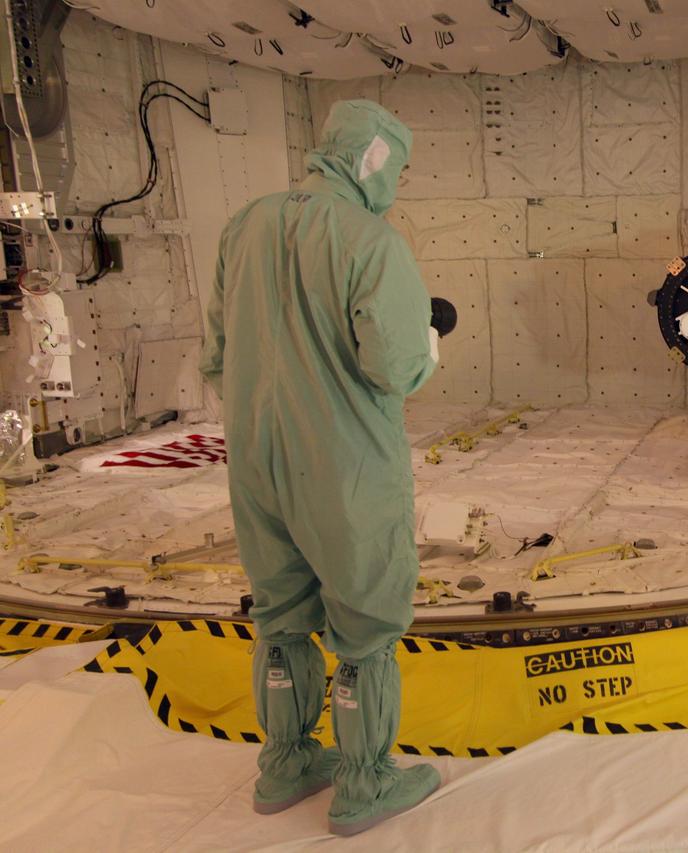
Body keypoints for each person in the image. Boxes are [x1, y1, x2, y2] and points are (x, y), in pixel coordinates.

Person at [200, 99, 440, 836]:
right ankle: (364, 784)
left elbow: (215, 352)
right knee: (365, 627)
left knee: (279, 615)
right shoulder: (370, 239)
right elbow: (395, 366)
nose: (396, 182)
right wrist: (431, 348)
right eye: (396, 167)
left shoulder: (244, 224)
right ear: (373, 158)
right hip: (343, 466)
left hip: (256, 459)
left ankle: (286, 764)